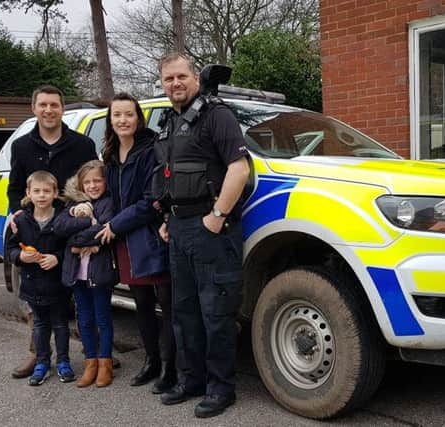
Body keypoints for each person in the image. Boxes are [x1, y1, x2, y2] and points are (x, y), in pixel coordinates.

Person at [154, 54, 250, 418]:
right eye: (168, 79)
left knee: (216, 314)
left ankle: (220, 388)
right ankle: (190, 379)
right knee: (185, 312)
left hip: (212, 229)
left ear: (195, 77)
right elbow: (170, 174)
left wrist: (217, 215)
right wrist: (167, 216)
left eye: (181, 76)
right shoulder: (172, 121)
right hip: (178, 228)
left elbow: (238, 170)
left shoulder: (216, 114)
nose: (175, 83)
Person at [7, 85, 98, 379]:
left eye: (54, 105)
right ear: (34, 108)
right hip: (34, 230)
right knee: (34, 295)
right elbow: (15, 187)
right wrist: (15, 214)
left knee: (84, 291)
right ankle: (36, 354)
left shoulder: (82, 145)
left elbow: (93, 180)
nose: (48, 110)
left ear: (62, 109)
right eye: (43, 105)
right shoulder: (21, 146)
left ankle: (94, 352)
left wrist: (89, 214)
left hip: (72, 229)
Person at [94, 93, 176, 394]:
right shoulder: (111, 154)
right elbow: (108, 197)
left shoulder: (152, 148)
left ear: (138, 118)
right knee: (140, 302)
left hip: (153, 235)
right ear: (110, 119)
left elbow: (152, 200)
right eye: (117, 115)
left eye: (129, 114)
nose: (123, 120)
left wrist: (115, 224)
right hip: (127, 239)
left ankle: (170, 368)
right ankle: (151, 361)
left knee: (166, 304)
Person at [6, 171, 74, 386]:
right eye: (37, 191)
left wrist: (57, 258)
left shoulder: (63, 219)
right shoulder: (21, 221)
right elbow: (10, 249)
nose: (42, 195)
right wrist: (20, 256)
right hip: (32, 285)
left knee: (61, 325)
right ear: (28, 193)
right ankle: (42, 362)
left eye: (47, 191)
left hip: (58, 286)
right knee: (40, 325)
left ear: (55, 193)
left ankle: (64, 361)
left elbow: (71, 247)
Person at [54, 160, 118, 388]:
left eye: (97, 181)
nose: (92, 186)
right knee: (84, 318)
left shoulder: (109, 202)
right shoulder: (71, 203)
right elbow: (58, 227)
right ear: (80, 184)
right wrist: (84, 223)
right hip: (76, 272)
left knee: (102, 318)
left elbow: (103, 230)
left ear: (105, 182)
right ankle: (90, 362)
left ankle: (105, 363)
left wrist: (75, 239)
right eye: (87, 182)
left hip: (100, 271)